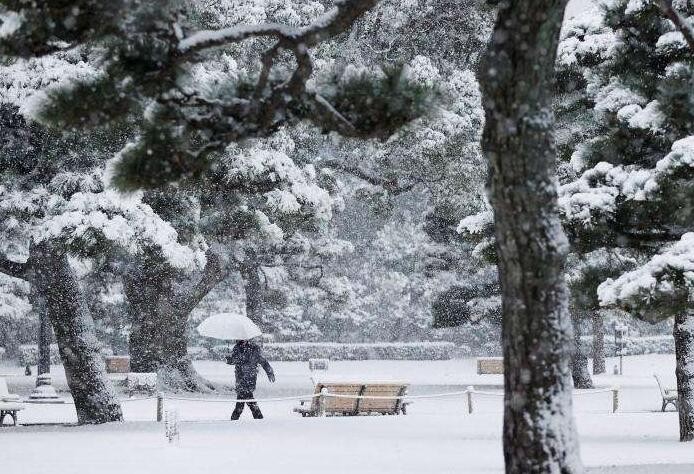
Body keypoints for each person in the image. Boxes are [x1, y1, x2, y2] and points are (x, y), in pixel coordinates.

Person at [226, 339, 275, 420]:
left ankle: (235, 418)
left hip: (250, 378)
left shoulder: (253, 348)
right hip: (240, 378)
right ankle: (258, 417)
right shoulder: (236, 348)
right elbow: (235, 361)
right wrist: (229, 360)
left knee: (243, 399)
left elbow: (263, 361)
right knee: (246, 399)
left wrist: (270, 372)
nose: (242, 340)